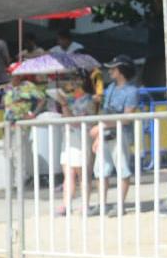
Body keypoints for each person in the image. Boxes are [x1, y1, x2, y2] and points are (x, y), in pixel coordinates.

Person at [90, 58, 143, 215]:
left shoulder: (131, 91)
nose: (110, 72)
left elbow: (126, 118)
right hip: (106, 132)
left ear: (121, 71)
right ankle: (101, 204)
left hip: (121, 133)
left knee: (122, 169)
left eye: (113, 69)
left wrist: (101, 126)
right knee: (100, 170)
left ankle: (120, 205)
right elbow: (106, 112)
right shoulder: (111, 88)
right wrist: (100, 134)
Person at [56, 78, 97, 216]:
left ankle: (85, 204)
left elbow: (75, 121)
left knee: (83, 174)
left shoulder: (89, 101)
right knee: (68, 174)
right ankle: (66, 204)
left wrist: (64, 105)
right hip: (68, 139)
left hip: (81, 140)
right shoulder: (71, 100)